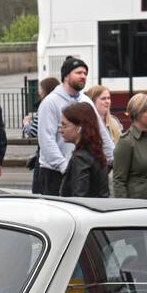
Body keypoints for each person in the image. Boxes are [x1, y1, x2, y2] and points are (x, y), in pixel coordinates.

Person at [36, 58, 111, 194]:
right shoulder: (50, 102)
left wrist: (112, 157)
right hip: (55, 172)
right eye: (78, 72)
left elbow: (100, 131)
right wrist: (65, 167)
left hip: (80, 168)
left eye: (85, 73)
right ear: (66, 76)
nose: (83, 76)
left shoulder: (85, 100)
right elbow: (46, 140)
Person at [57, 102, 111, 199]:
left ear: (79, 128)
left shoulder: (81, 158)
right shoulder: (96, 152)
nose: (60, 130)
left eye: (64, 125)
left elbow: (79, 197)